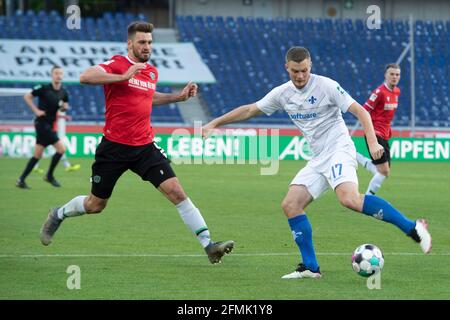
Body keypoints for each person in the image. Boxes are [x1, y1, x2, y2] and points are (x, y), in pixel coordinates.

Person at [202, 47, 431, 279]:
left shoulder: (327, 86)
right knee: (291, 205)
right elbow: (251, 110)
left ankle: (413, 228)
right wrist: (214, 123)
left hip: (339, 149)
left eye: (304, 70)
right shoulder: (282, 93)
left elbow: (361, 111)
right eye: (295, 71)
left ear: (310, 65)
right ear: (287, 68)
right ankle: (311, 267)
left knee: (348, 199)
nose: (300, 76)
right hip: (319, 157)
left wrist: (372, 143)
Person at [39, 21, 234, 265]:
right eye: (142, 42)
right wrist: (122, 76)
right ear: (130, 43)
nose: (147, 46)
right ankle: (58, 214)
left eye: (150, 42)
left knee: (177, 192)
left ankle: (209, 245)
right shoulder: (118, 64)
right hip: (114, 147)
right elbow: (84, 76)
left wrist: (179, 97)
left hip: (144, 146)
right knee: (96, 204)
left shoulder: (151, 71)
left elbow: (148, 97)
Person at [16, 65, 69, 189]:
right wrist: (36, 110)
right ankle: (49, 175)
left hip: (50, 124)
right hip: (41, 123)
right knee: (61, 149)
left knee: (37, 155)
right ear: (52, 75)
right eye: (56, 73)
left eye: (60, 73)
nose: (59, 75)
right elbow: (27, 96)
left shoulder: (63, 92)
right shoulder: (44, 88)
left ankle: (21, 180)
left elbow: (64, 105)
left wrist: (64, 108)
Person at [356, 64, 401, 195]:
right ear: (386, 75)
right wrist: (368, 131)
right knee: (384, 171)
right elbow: (363, 110)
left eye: (397, 74)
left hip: (385, 134)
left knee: (381, 171)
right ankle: (368, 198)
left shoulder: (396, 92)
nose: (394, 77)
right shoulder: (379, 93)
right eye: (392, 74)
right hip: (375, 134)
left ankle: (355, 155)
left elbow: (387, 114)